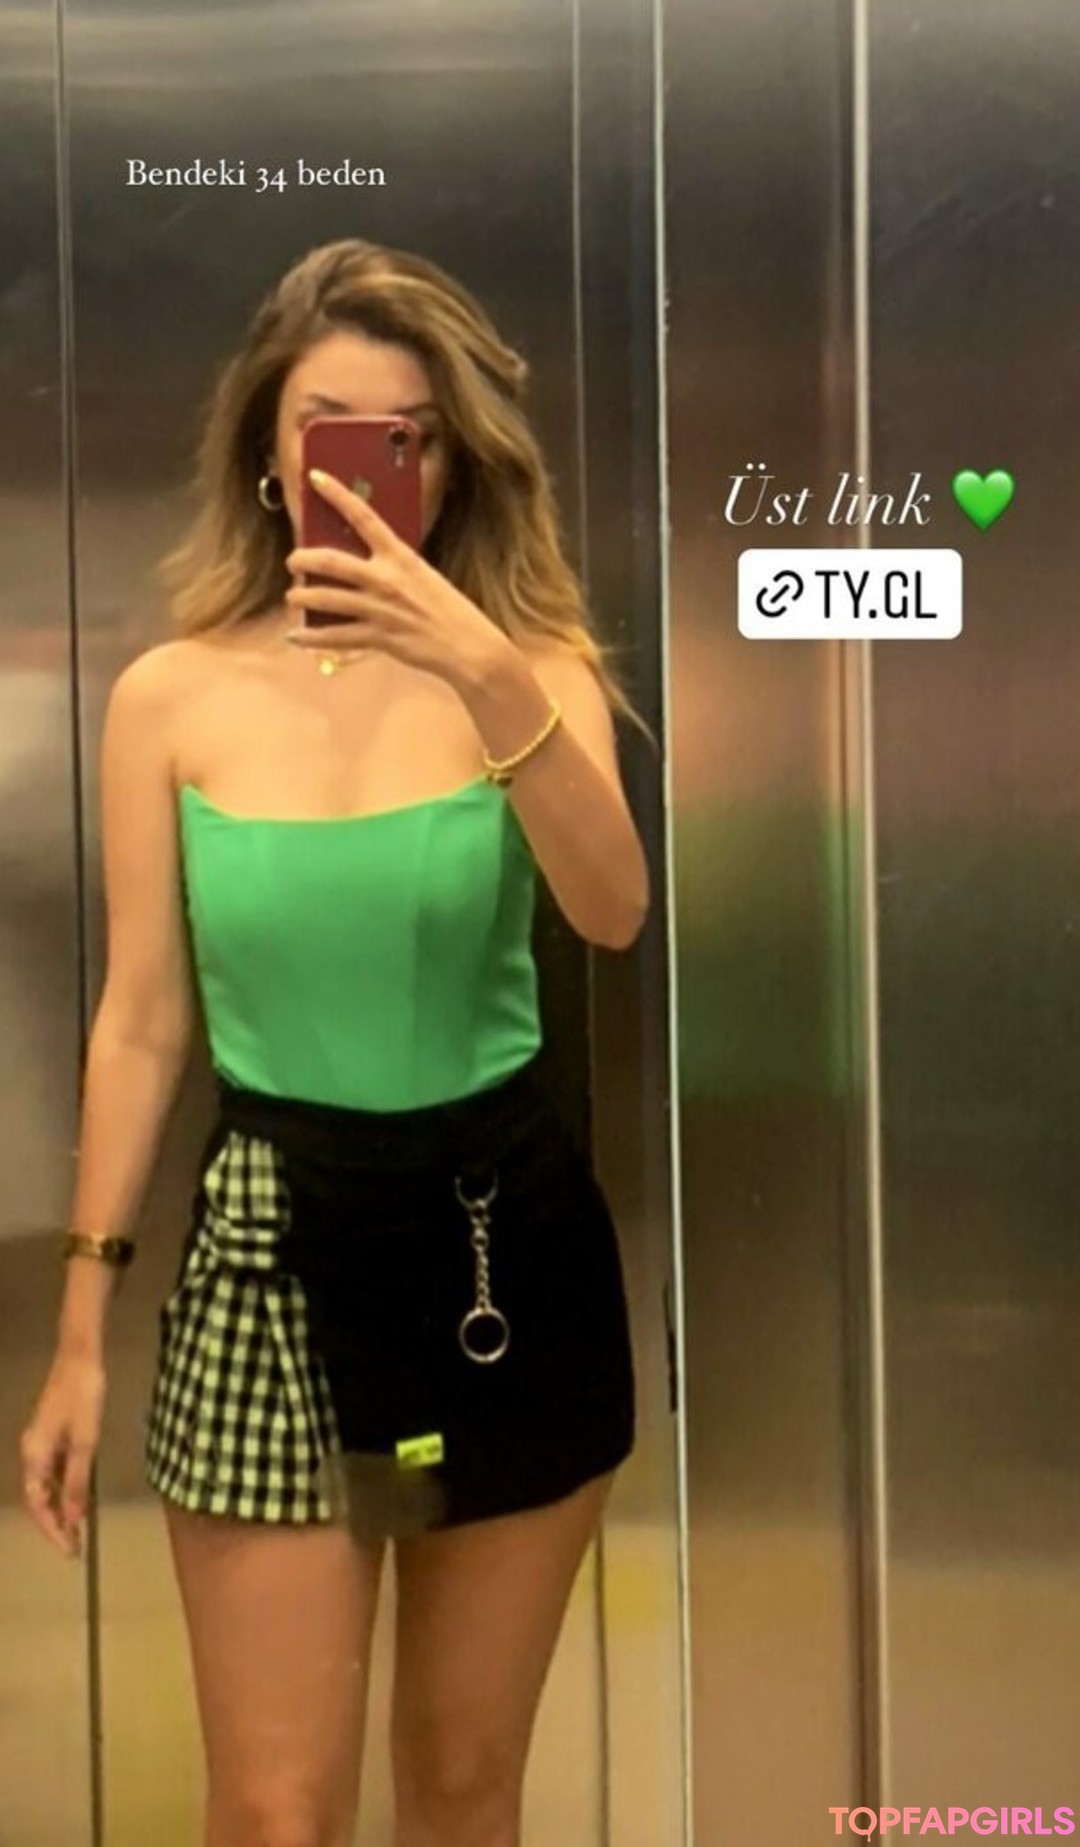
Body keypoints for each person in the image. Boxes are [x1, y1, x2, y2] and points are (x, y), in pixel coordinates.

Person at [20, 237, 652, 1847]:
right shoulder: (169, 697)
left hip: (505, 1259)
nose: (371, 470)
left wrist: (477, 663)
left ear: (454, 462)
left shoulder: (533, 677)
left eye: (410, 437)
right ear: (266, 448)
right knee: (275, 1810)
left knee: (461, 1787)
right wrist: (80, 1335)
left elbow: (612, 911)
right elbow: (141, 1019)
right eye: (331, 429)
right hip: (269, 1268)